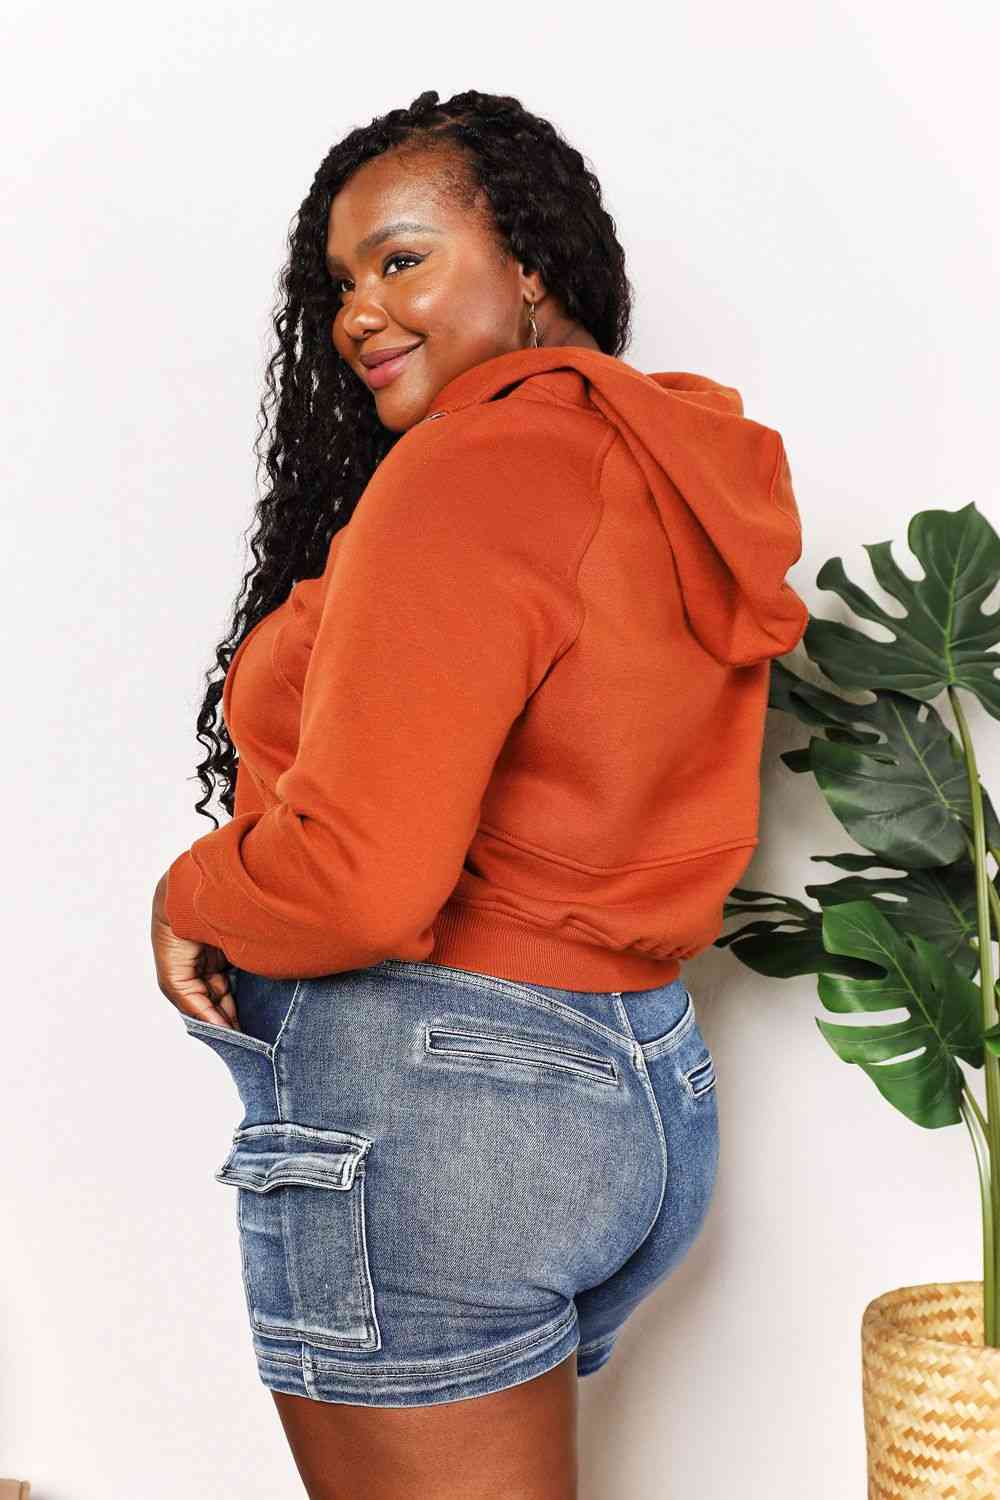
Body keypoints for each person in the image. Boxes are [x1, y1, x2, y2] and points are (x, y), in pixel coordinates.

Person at [150, 88, 808, 1500]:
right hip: (631, 1080)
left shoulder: (472, 468)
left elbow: (366, 882)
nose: (358, 313)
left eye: (402, 259)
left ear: (529, 265)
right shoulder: (660, 462)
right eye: (341, 284)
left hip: (439, 1098)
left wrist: (192, 888)